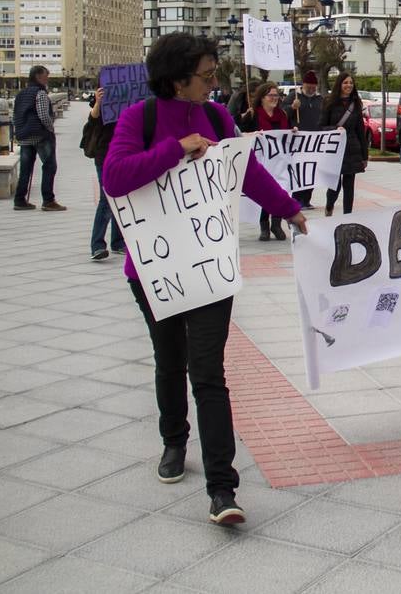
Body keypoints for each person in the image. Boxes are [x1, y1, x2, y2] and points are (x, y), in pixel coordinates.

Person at [102, 33, 307, 526]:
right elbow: (114, 177)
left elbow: (248, 173)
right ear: (177, 79)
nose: (215, 83)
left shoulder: (218, 117)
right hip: (154, 270)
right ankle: (174, 440)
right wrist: (175, 149)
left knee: (209, 372)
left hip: (210, 266)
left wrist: (291, 210)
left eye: (216, 74)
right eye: (207, 75)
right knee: (169, 362)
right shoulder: (141, 119)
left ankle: (223, 488)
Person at [239, 81, 292, 241]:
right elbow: (240, 133)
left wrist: (293, 132)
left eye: (276, 95)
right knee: (264, 191)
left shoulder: (282, 115)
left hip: (279, 162)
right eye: (271, 95)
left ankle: (276, 223)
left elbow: (287, 133)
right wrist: (250, 133)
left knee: (280, 189)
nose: (274, 98)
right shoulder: (253, 114)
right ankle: (264, 226)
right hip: (260, 161)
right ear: (262, 98)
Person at [13, 65, 65, 212]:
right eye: (45, 75)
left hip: (24, 136)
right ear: (38, 76)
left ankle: (19, 200)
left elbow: (15, 115)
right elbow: (43, 115)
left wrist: (19, 131)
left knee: (25, 169)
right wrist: (51, 129)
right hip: (40, 135)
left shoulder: (20, 94)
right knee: (49, 166)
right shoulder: (40, 93)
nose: (47, 78)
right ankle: (48, 200)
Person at [81, 88, 125, 261]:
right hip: (104, 156)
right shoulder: (100, 106)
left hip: (122, 155)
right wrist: (99, 102)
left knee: (120, 198)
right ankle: (97, 245)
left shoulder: (127, 106)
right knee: (106, 200)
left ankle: (118, 241)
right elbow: (92, 120)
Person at [322, 71, 368, 217]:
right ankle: (329, 206)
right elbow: (321, 126)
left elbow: (361, 130)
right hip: (334, 149)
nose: (348, 85)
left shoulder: (356, 103)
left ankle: (348, 215)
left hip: (352, 148)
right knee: (334, 185)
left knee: (349, 185)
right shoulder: (329, 102)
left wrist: (364, 156)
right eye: (345, 82)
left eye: (351, 83)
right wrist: (335, 129)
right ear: (339, 84)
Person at [290, 70, 324, 210]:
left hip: (315, 142)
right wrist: (292, 107)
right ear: (303, 84)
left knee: (312, 171)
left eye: (313, 86)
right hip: (298, 142)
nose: (311, 88)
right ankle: (296, 199)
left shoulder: (320, 99)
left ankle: (307, 199)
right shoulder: (294, 96)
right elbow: (282, 113)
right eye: (308, 85)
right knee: (299, 171)